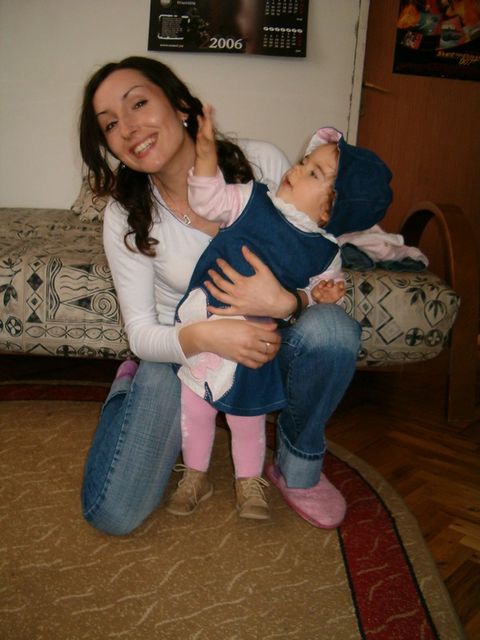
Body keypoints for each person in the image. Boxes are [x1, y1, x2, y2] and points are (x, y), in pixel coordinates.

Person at [79, 55, 391, 536]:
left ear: (181, 106)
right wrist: (207, 336)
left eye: (138, 104)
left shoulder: (261, 163)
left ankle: (297, 467)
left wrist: (288, 303)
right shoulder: (125, 214)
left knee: (333, 331)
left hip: (268, 337)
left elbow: (313, 257)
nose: (128, 128)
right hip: (180, 350)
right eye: (110, 124)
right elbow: (141, 333)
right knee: (114, 514)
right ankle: (128, 389)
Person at [168, 106, 349, 521]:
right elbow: (208, 198)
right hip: (207, 324)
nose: (297, 169)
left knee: (247, 417)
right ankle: (195, 475)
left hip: (256, 343)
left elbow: (316, 293)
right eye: (304, 162)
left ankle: (248, 482)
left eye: (314, 174)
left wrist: (321, 295)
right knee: (195, 407)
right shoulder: (251, 198)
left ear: (328, 211)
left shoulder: (325, 251)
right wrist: (206, 155)